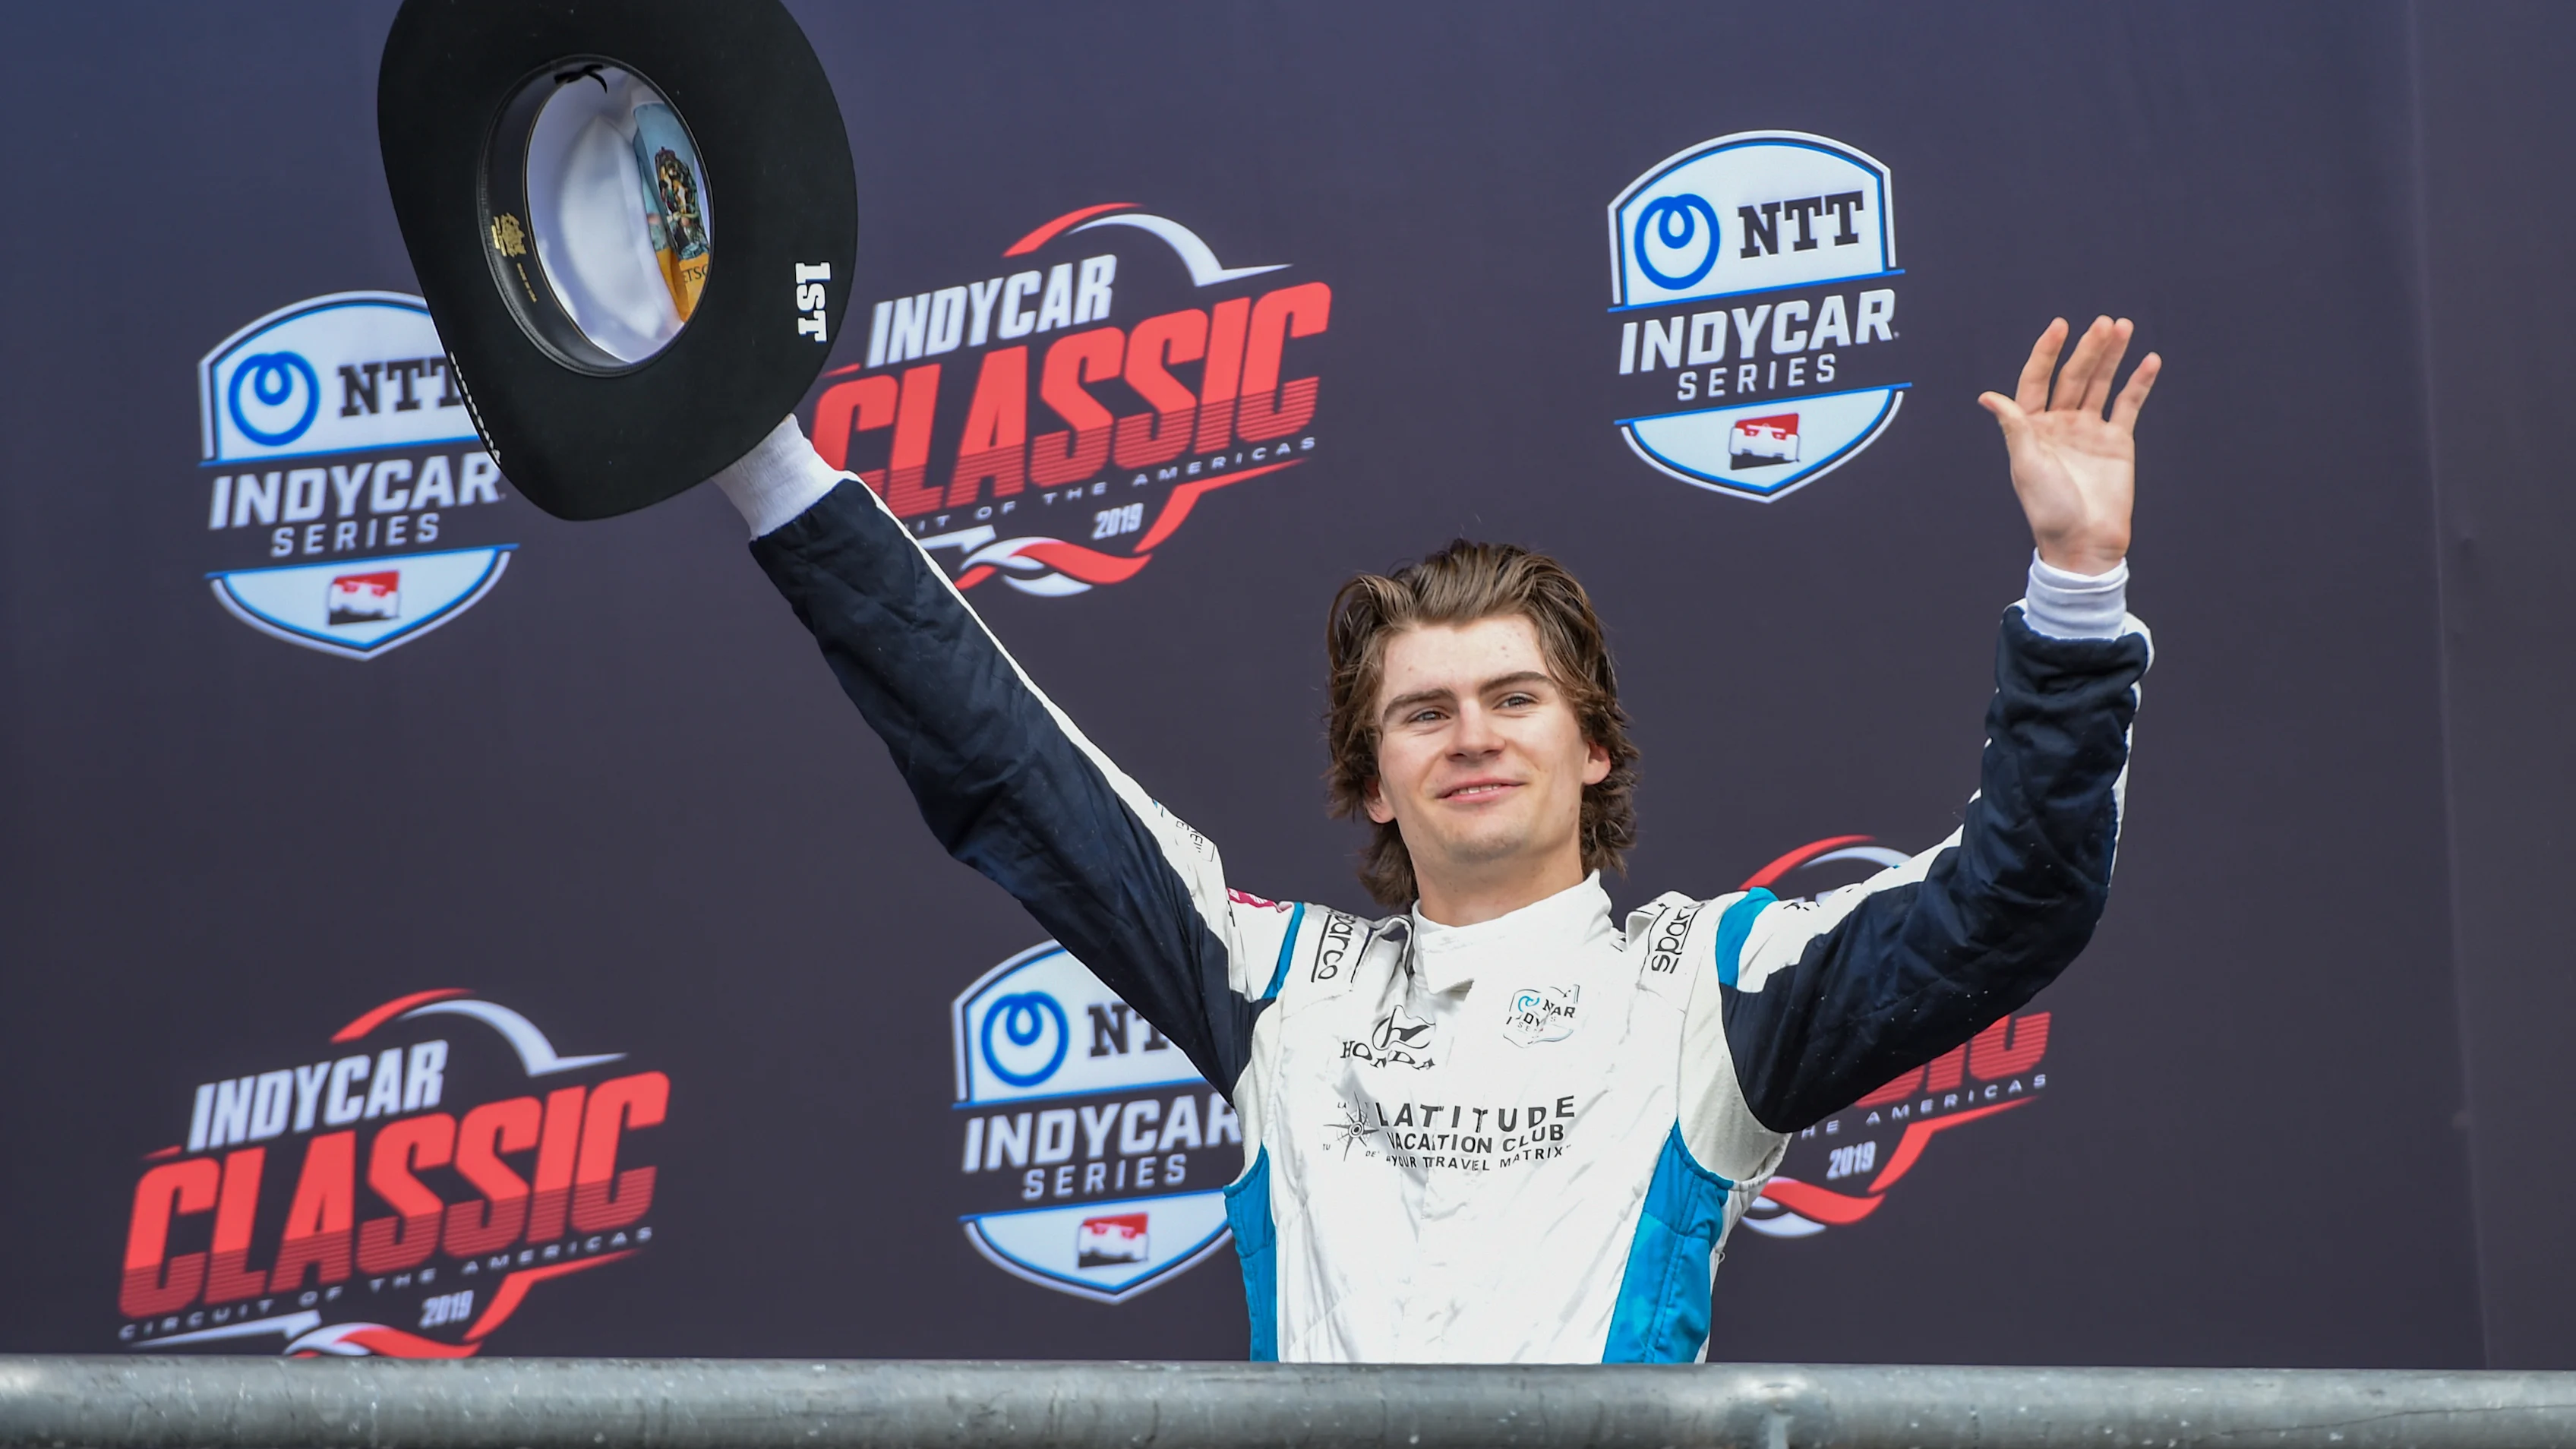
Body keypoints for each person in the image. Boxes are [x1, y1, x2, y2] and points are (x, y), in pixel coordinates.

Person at [702, 315, 2159, 1363]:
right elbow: (1005, 763)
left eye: (1515, 698)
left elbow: (2016, 897)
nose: (1470, 734)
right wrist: (763, 460)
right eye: (1423, 715)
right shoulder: (1272, 978)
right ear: (1375, 781)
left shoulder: (1711, 985)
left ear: (1593, 750)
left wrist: (2078, 587)